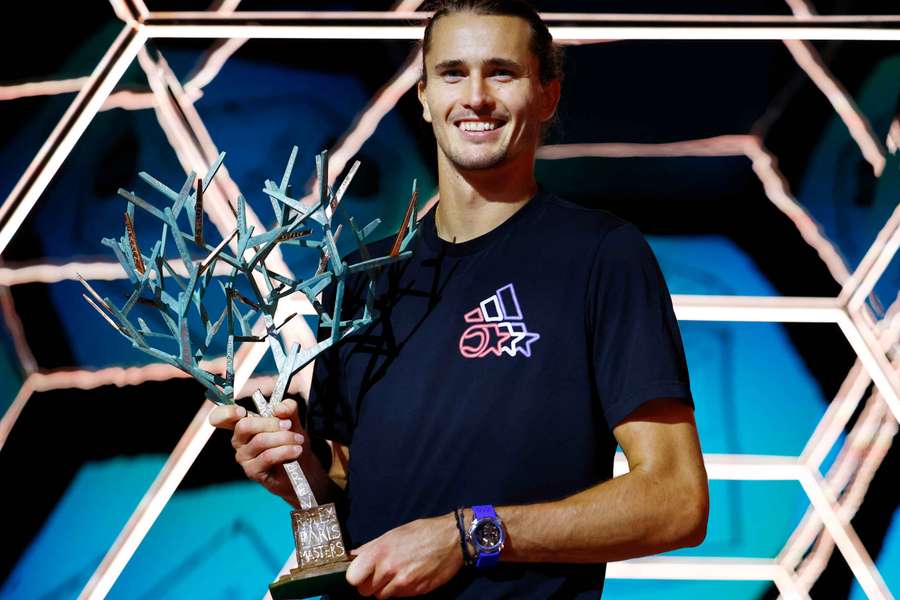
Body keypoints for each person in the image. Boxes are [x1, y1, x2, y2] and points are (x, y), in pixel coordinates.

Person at [210, 1, 709, 597]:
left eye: (502, 72)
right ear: (423, 96)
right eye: (452, 73)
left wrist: (470, 535)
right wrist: (297, 473)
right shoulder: (364, 281)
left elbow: (676, 501)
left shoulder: (601, 256)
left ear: (548, 95)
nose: (475, 96)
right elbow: (353, 506)